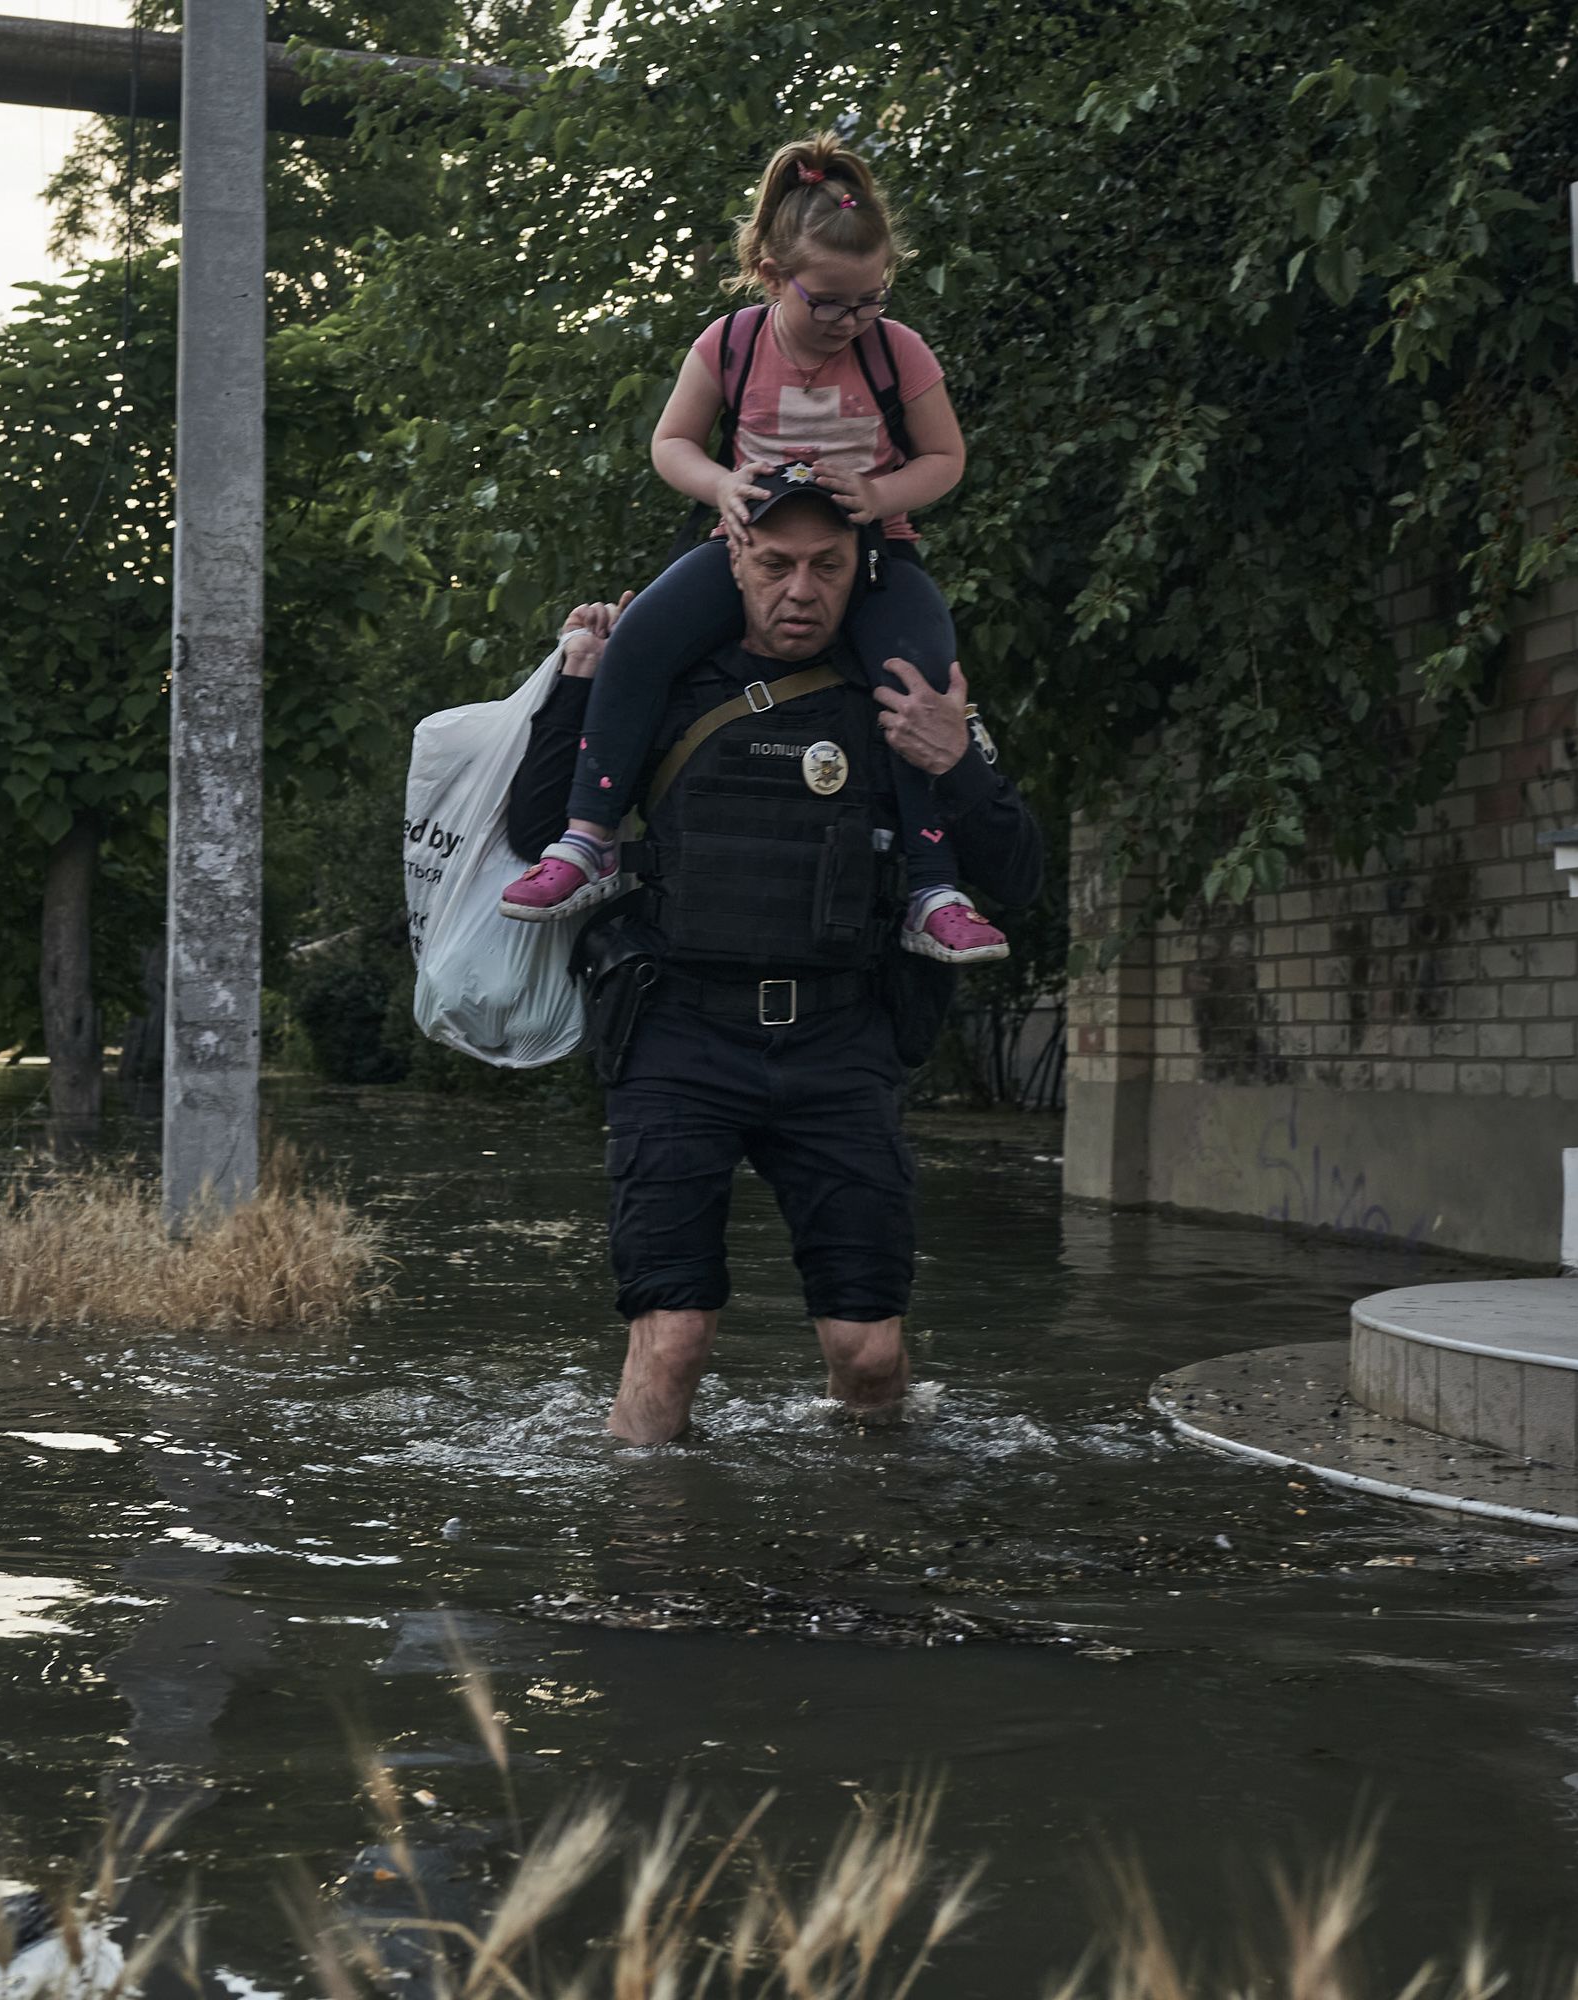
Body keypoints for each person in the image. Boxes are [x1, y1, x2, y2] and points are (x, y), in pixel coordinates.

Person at [504, 468, 1044, 1436]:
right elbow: (536, 829)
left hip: (840, 1043)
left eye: (828, 566)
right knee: (672, 1339)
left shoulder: (898, 690)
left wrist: (956, 757)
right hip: (679, 1039)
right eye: (779, 563)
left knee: (870, 1354)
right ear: (733, 556)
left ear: (861, 567)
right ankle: (645, 1573)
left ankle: (864, 1560)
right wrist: (577, 682)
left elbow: (1019, 871)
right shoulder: (662, 677)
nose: (802, 589)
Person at [498, 131, 1011, 970]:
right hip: (747, 543)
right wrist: (720, 486)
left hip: (873, 556)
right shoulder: (731, 344)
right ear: (774, 277)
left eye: (871, 300)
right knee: (638, 643)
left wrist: (880, 495)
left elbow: (945, 459)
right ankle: (587, 837)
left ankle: (932, 886)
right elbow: (672, 443)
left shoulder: (898, 351)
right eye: (831, 304)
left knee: (920, 682)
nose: (852, 322)